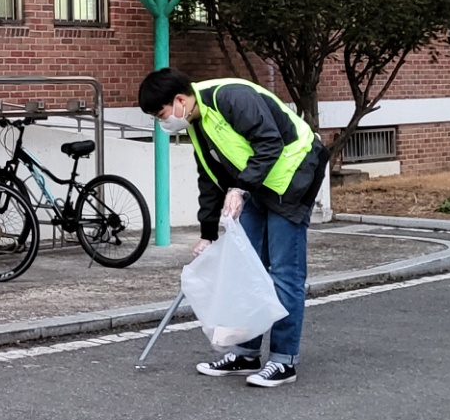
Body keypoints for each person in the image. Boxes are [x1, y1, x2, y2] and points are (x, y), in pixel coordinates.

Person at [136, 67, 330, 388]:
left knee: (284, 272)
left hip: (294, 174)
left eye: (161, 114)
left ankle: (284, 360)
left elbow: (270, 142)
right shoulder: (197, 123)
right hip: (258, 182)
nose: (163, 122)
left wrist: (240, 188)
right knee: (245, 267)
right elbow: (210, 178)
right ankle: (245, 353)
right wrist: (207, 233)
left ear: (180, 100)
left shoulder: (231, 97)